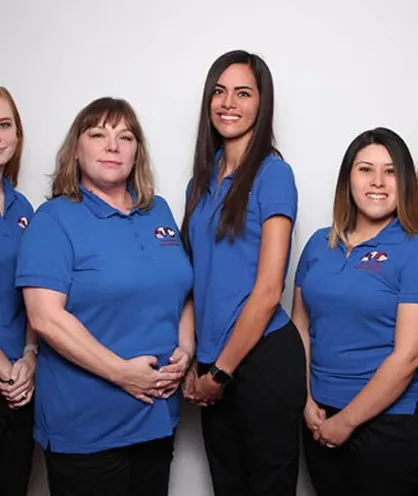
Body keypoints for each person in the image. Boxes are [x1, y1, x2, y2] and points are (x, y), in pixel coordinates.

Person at [15, 97, 194, 496]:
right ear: (76, 151)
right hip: (87, 424)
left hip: (156, 416)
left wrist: (186, 346)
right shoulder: (54, 219)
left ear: (136, 152)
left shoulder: (159, 212)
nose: (112, 145)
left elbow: (182, 288)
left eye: (124, 136)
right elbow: (45, 317)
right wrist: (121, 373)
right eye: (98, 134)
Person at [292, 128, 418, 496]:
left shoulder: (417, 253)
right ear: (349, 179)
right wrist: (306, 399)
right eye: (365, 169)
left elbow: (409, 357)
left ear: (404, 181)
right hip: (319, 416)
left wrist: (346, 422)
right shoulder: (318, 244)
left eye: (390, 171)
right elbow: (301, 325)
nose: (378, 181)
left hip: (388, 427)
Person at [181, 50, 306, 496]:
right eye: (219, 91)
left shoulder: (274, 174)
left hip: (261, 363)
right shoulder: (202, 180)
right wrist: (194, 359)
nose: (228, 102)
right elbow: (193, 277)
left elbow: (270, 289)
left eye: (242, 93)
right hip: (214, 363)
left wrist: (221, 374)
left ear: (261, 103)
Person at [0, 87, 36, 496]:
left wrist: (29, 356)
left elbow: (34, 293)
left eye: (4, 125)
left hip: (20, 382)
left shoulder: (23, 207)